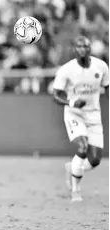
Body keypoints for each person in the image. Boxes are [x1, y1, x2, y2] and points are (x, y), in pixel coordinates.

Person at [53, 35, 109, 202]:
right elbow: (56, 94)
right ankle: (75, 191)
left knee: (95, 160)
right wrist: (72, 102)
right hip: (74, 114)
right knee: (82, 148)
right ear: (74, 49)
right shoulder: (66, 70)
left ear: (90, 49)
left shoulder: (101, 66)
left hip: (94, 115)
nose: (83, 50)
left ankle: (73, 168)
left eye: (85, 47)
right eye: (79, 47)